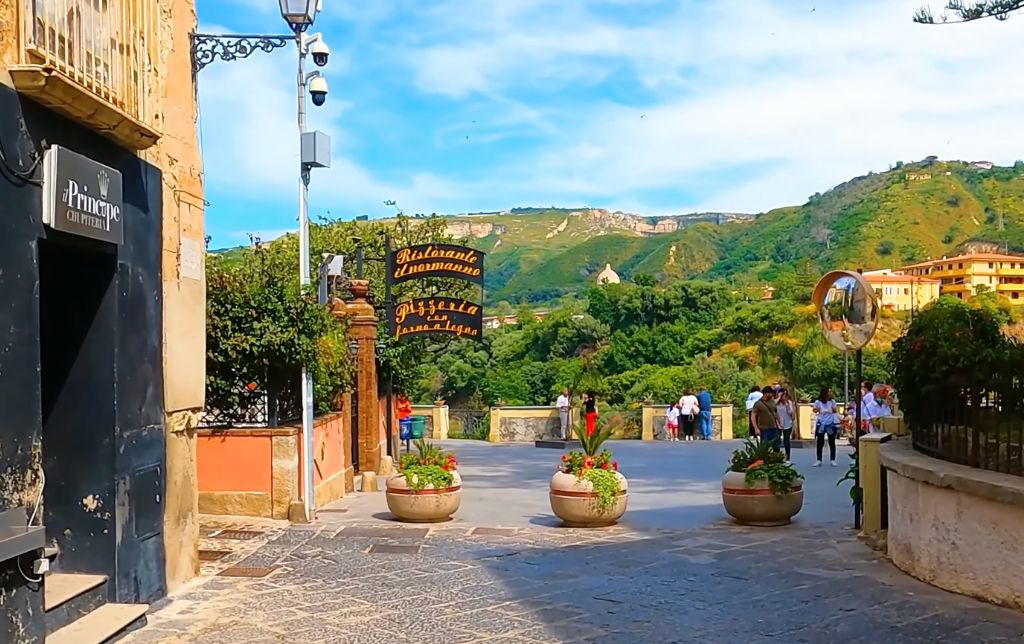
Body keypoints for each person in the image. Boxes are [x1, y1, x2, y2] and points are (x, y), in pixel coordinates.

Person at [813, 387, 839, 467]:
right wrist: (817, 409)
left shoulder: (832, 401)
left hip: (830, 423)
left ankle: (833, 459)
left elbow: (835, 410)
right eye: (829, 392)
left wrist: (833, 408)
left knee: (832, 442)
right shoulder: (818, 402)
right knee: (820, 442)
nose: (830, 393)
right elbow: (814, 410)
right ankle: (819, 459)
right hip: (821, 422)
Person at [776, 388, 795, 461]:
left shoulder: (789, 403)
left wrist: (787, 406)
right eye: (783, 395)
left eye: (785, 395)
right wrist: (779, 398)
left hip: (787, 423)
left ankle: (787, 458)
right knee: (777, 441)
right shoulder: (776, 402)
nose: (784, 396)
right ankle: (777, 457)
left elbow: (792, 414)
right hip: (778, 423)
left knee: (786, 440)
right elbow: (772, 406)